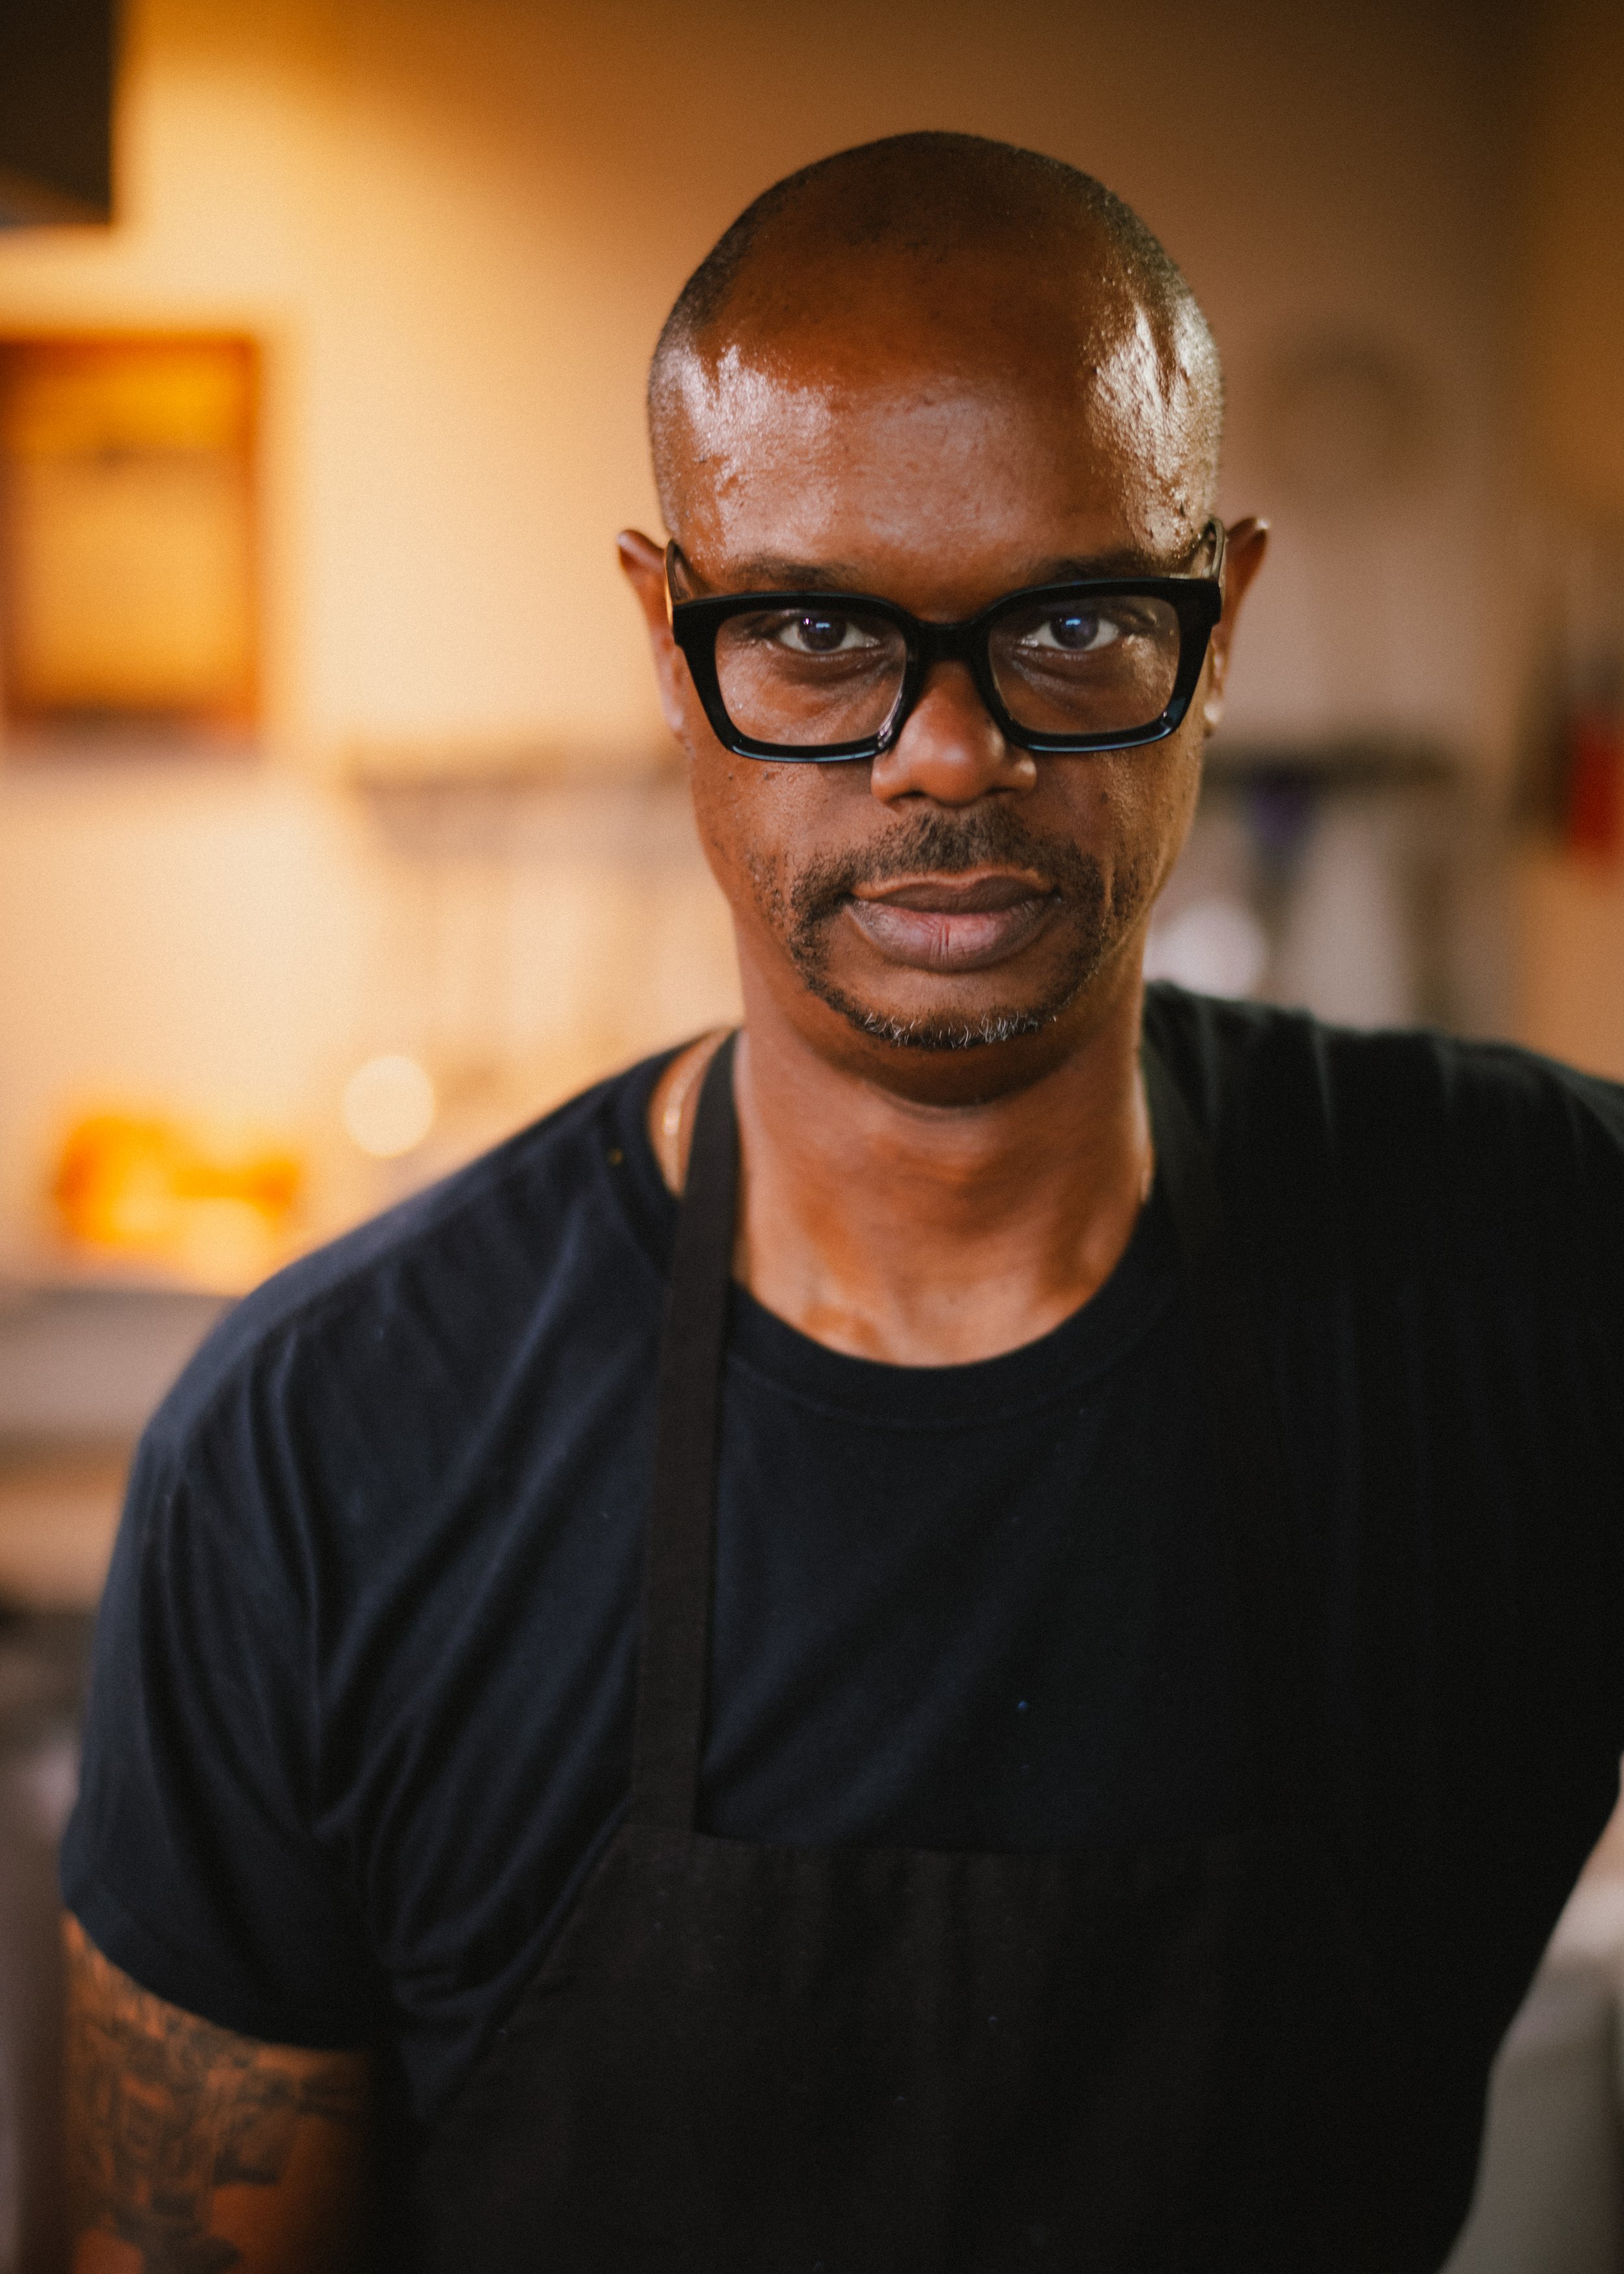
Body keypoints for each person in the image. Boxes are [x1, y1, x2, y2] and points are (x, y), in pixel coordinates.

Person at [60, 131, 1624, 2273]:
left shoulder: (1544, 1267)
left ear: (1221, 620)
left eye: (1074, 621)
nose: (947, 751)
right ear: (665, 628)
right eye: (812, 631)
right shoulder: (319, 1448)